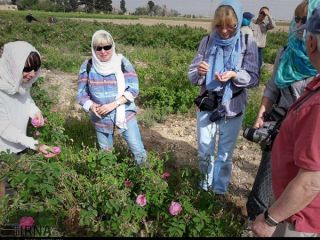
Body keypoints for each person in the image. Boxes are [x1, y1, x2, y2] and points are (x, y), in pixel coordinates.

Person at [246, 0, 318, 225]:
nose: (299, 24)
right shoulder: (286, 53)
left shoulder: (316, 63)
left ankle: (277, 220)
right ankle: (255, 220)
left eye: (305, 20)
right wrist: (261, 115)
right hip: (281, 126)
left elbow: (311, 181)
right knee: (268, 178)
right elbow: (272, 87)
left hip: (308, 131)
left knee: (302, 183)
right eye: (296, 19)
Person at [188, 0, 259, 194]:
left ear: (238, 23)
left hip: (232, 106)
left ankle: (219, 190)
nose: (224, 31)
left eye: (230, 26)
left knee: (225, 154)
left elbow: (253, 78)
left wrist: (235, 75)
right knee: (204, 151)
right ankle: (204, 187)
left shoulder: (246, 41)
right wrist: (201, 71)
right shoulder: (208, 40)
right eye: (219, 26)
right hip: (208, 102)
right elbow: (192, 74)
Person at [77, 30, 147, 166]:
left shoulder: (122, 62)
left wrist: (114, 104)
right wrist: (91, 106)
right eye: (99, 48)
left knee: (138, 150)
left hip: (124, 113)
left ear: (112, 46)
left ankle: (145, 181)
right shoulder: (87, 66)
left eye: (107, 47)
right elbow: (81, 93)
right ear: (93, 49)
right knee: (105, 155)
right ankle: (110, 183)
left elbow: (133, 89)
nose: (103, 51)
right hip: (101, 117)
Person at [0, 41, 54, 196]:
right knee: (7, 191)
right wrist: (35, 144)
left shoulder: (20, 83)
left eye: (35, 69)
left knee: (17, 185)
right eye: (27, 69)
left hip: (19, 145)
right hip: (3, 150)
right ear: (14, 66)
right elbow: (4, 128)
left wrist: (35, 112)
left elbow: (26, 100)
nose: (32, 73)